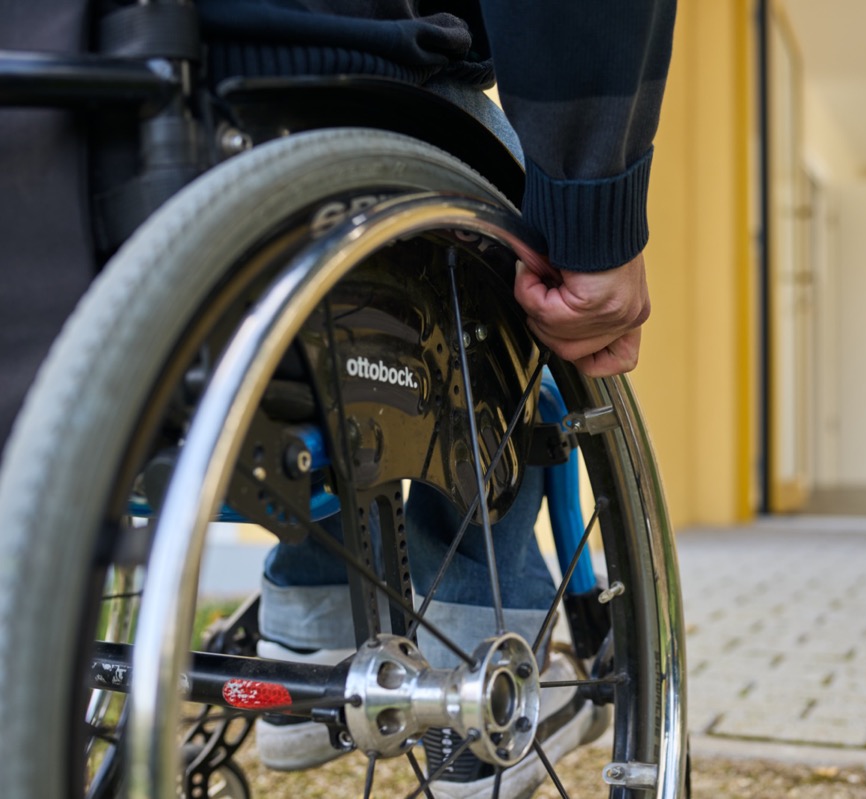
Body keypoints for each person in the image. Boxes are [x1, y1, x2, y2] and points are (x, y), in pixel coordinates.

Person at [0, 2, 675, 797]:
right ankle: (472, 642)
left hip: (48, 133)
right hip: (284, 96)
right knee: (519, 231)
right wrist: (595, 214)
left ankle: (309, 618)